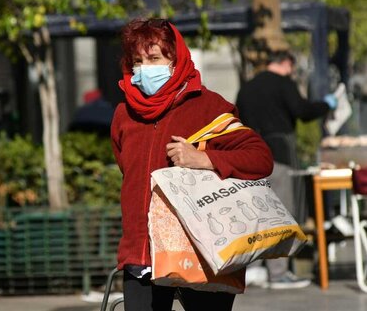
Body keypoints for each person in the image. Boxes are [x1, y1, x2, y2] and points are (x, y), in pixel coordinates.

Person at [110, 18, 274, 311]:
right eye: (138, 61)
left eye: (154, 58)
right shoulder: (124, 113)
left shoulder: (207, 106)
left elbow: (260, 158)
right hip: (140, 256)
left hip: (199, 253)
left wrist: (204, 159)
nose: (145, 68)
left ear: (175, 59)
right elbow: (128, 171)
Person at [235, 50, 337, 289]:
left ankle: (253, 269)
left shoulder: (247, 87)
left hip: (248, 157)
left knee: (255, 215)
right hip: (277, 156)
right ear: (286, 63)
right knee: (280, 213)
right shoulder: (284, 83)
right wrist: (326, 105)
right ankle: (278, 272)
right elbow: (302, 111)